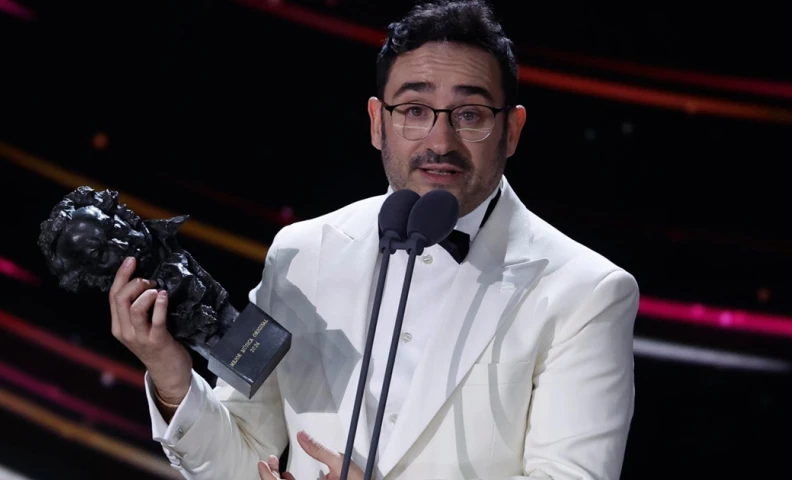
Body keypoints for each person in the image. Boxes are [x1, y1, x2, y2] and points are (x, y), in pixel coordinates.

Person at [109, 1, 640, 478]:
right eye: (413, 111)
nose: (440, 140)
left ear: (513, 130)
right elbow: (247, 459)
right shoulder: (301, 253)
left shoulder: (586, 292)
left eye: (470, 115)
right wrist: (174, 380)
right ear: (376, 123)